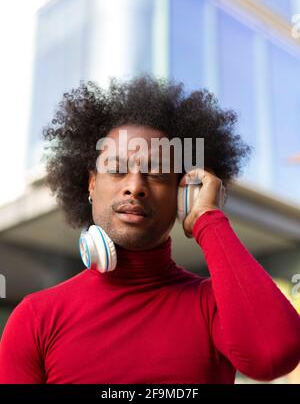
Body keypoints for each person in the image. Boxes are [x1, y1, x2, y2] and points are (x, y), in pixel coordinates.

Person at [0, 75, 299, 384]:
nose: (135, 187)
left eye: (156, 173)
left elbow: (273, 355)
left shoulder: (211, 304)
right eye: (116, 170)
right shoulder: (35, 318)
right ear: (91, 184)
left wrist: (208, 218)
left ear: (181, 193)